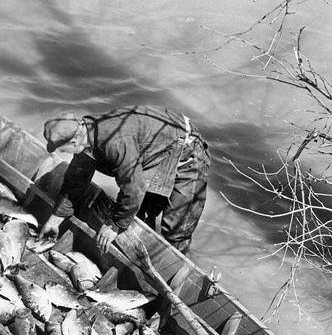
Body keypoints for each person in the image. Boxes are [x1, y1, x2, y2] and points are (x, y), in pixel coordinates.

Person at [39, 106, 210, 255]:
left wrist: (114, 225)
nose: (65, 153)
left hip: (188, 148)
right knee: (140, 216)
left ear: (74, 141)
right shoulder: (86, 134)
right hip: (156, 144)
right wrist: (56, 218)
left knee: (176, 229)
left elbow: (134, 188)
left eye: (64, 150)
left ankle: (175, 274)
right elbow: (76, 180)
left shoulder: (115, 143)